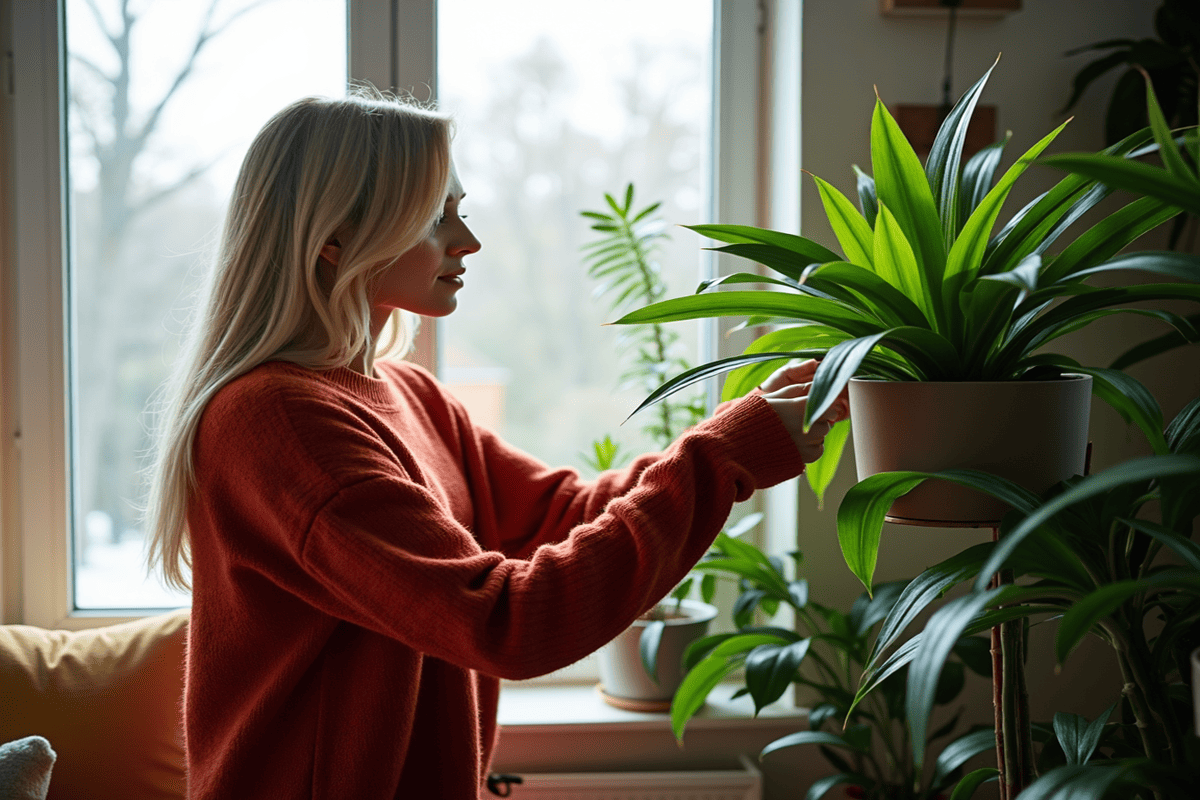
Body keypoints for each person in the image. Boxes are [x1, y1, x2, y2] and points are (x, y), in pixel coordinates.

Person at [144, 88, 849, 800]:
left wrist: (741, 424)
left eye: (461, 211)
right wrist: (724, 456)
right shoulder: (280, 423)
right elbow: (507, 622)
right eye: (435, 217)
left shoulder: (407, 393)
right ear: (334, 239)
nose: (467, 241)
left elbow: (565, 511)